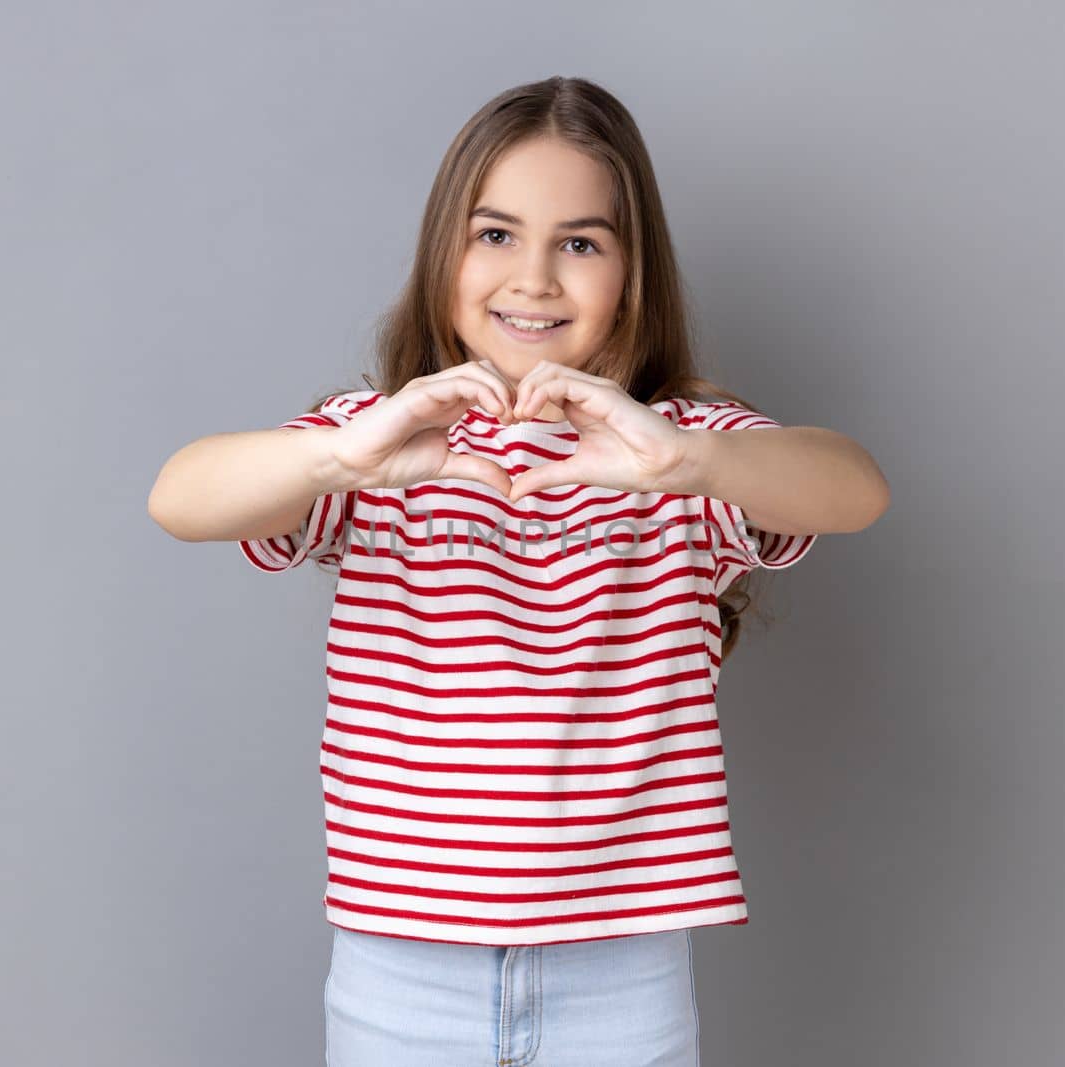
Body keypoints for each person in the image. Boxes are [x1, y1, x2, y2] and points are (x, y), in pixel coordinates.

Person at [148, 75, 889, 1067]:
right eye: (494, 234)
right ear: (441, 253)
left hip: (622, 965)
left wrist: (686, 458)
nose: (532, 277)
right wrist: (341, 456)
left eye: (579, 242)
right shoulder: (378, 443)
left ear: (631, 272)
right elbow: (180, 497)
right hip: (400, 964)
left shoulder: (672, 448)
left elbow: (853, 487)